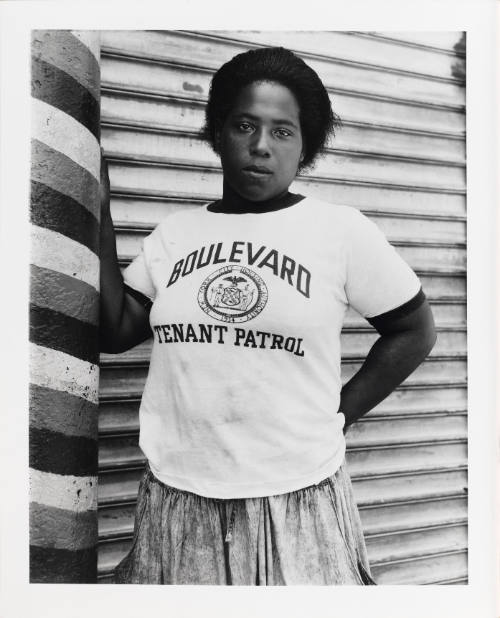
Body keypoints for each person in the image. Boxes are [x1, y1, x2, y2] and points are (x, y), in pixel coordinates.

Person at [99, 46, 437, 585]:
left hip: (295, 497)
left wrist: (339, 415)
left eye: (282, 131)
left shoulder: (340, 232)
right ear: (217, 133)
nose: (260, 147)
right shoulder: (176, 234)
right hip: (178, 495)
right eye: (244, 125)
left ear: (306, 147)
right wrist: (96, 203)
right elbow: (115, 330)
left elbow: (414, 331)